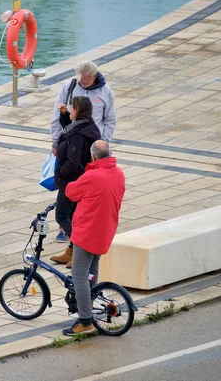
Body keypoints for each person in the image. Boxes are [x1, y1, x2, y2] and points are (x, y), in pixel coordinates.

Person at [61, 140, 125, 336]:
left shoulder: (93, 176)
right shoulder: (118, 174)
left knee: (79, 274)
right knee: (92, 269)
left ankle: (85, 319)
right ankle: (87, 303)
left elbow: (71, 192)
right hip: (105, 231)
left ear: (93, 156)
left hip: (87, 232)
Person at [50, 96, 100, 269]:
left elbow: (72, 161)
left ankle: (80, 249)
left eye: (72, 108)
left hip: (72, 181)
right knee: (73, 216)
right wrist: (64, 116)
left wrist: (58, 173)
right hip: (82, 179)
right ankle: (72, 250)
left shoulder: (79, 134)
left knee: (62, 215)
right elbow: (69, 131)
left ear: (79, 112)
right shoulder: (86, 127)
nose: (70, 109)